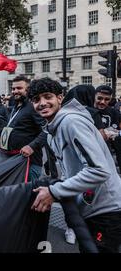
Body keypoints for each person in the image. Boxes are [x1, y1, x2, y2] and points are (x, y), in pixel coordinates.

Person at [29, 78, 121, 253]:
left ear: (60, 97)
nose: (42, 103)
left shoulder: (71, 122)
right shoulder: (51, 131)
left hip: (107, 211)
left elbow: (99, 171)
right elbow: (71, 171)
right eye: (36, 100)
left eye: (47, 97)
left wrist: (54, 192)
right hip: (91, 210)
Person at [0, 76, 47, 181]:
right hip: (14, 161)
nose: (15, 91)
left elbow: (47, 130)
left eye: (19, 88)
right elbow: (11, 126)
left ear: (28, 90)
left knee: (28, 196)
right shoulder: (16, 107)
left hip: (29, 164)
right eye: (13, 88)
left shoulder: (33, 106)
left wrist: (31, 147)